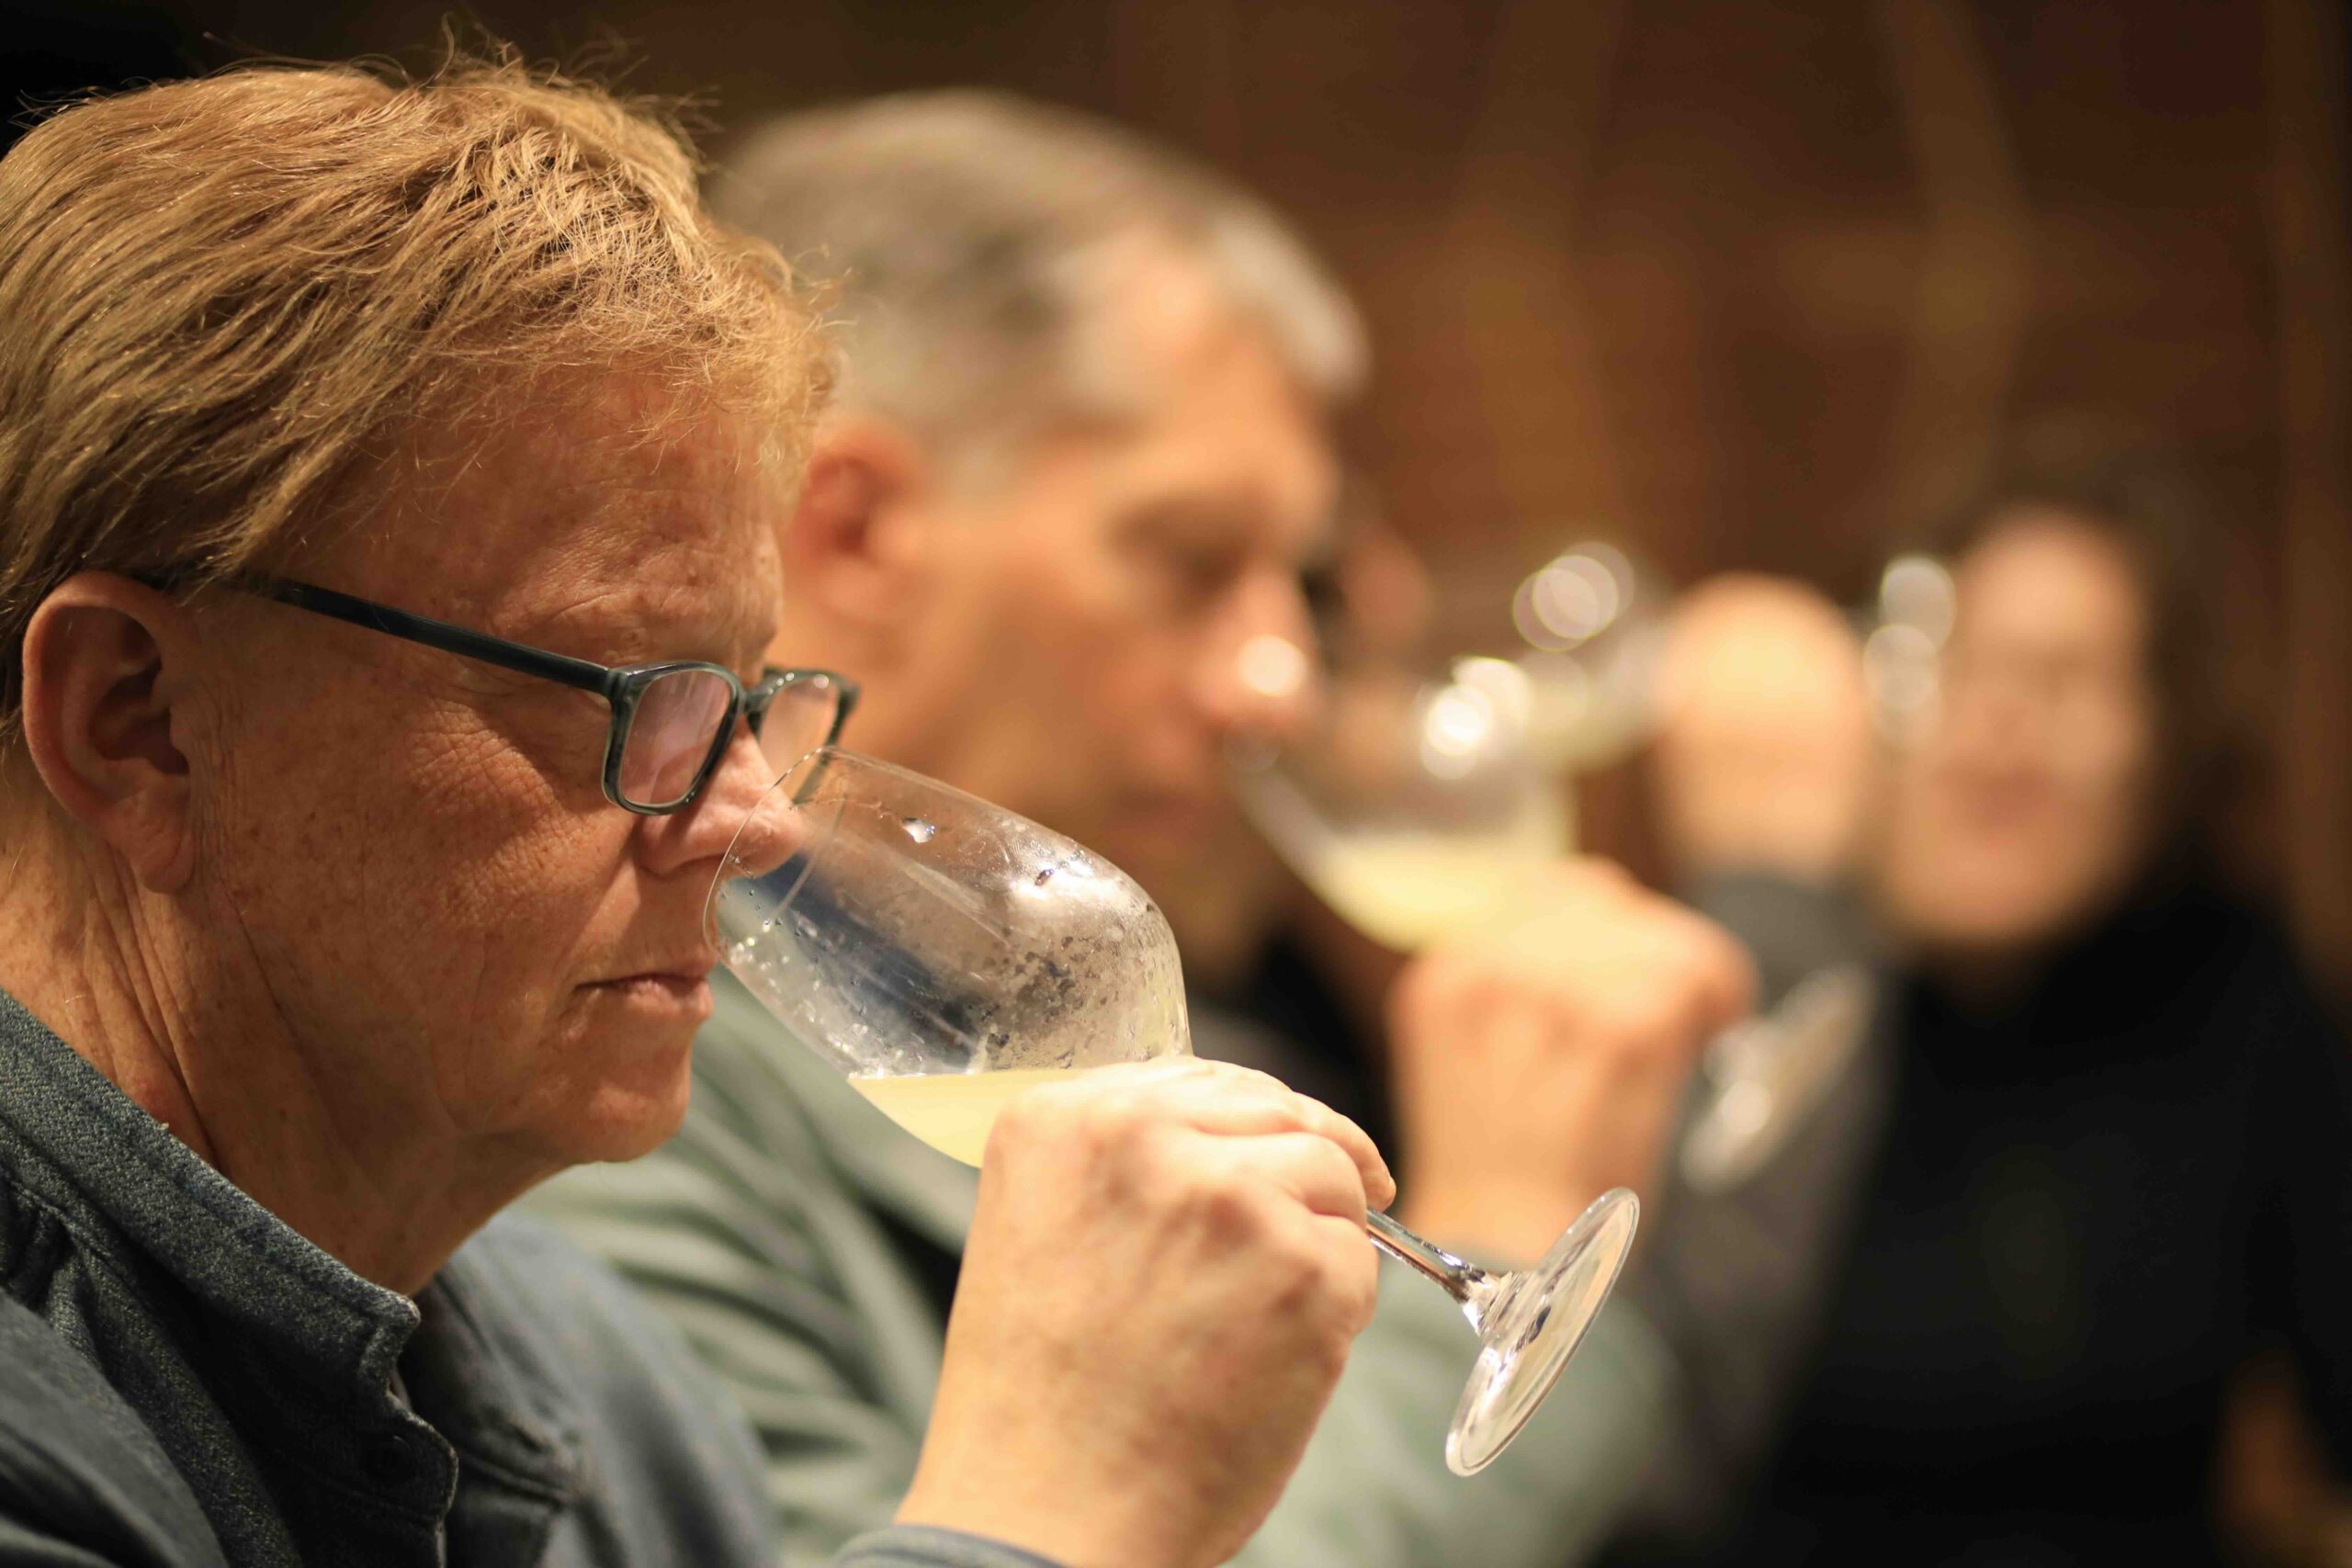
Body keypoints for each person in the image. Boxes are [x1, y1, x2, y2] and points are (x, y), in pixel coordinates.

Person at [0, 60, 1419, 1568]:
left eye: (745, 697)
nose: (756, 821)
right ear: (134, 720)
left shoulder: (600, 1378)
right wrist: (1046, 1521)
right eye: (622, 688)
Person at [528, 90, 1755, 1568]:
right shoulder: (600, 1064)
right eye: (1188, 561)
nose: (1275, 682)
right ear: (856, 527)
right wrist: (1501, 1223)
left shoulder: (1121, 998)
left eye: (1288, 581)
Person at [1620, 434, 2352, 1565]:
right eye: (1951, 669)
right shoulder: (1744, 989)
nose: (1999, 726)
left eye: (2062, 680)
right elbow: (1632, 1458)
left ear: (2162, 748)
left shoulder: (2238, 1000)